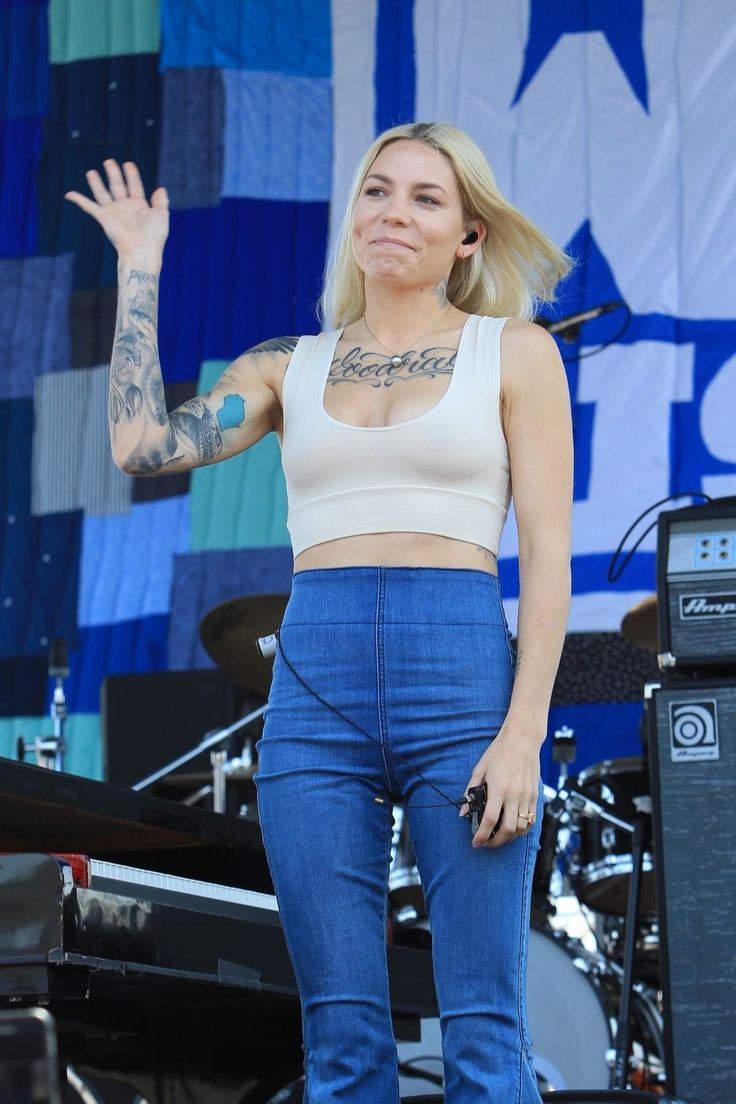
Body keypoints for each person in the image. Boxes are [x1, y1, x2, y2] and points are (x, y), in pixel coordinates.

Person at [65, 121, 574, 1103]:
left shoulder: (512, 353)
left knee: (483, 1031)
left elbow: (547, 565)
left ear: (468, 235)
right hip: (318, 690)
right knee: (339, 1035)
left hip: (461, 673)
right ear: (352, 216)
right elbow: (141, 447)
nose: (394, 212)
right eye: (377, 191)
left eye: (426, 198)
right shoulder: (284, 367)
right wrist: (139, 268)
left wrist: (523, 735)